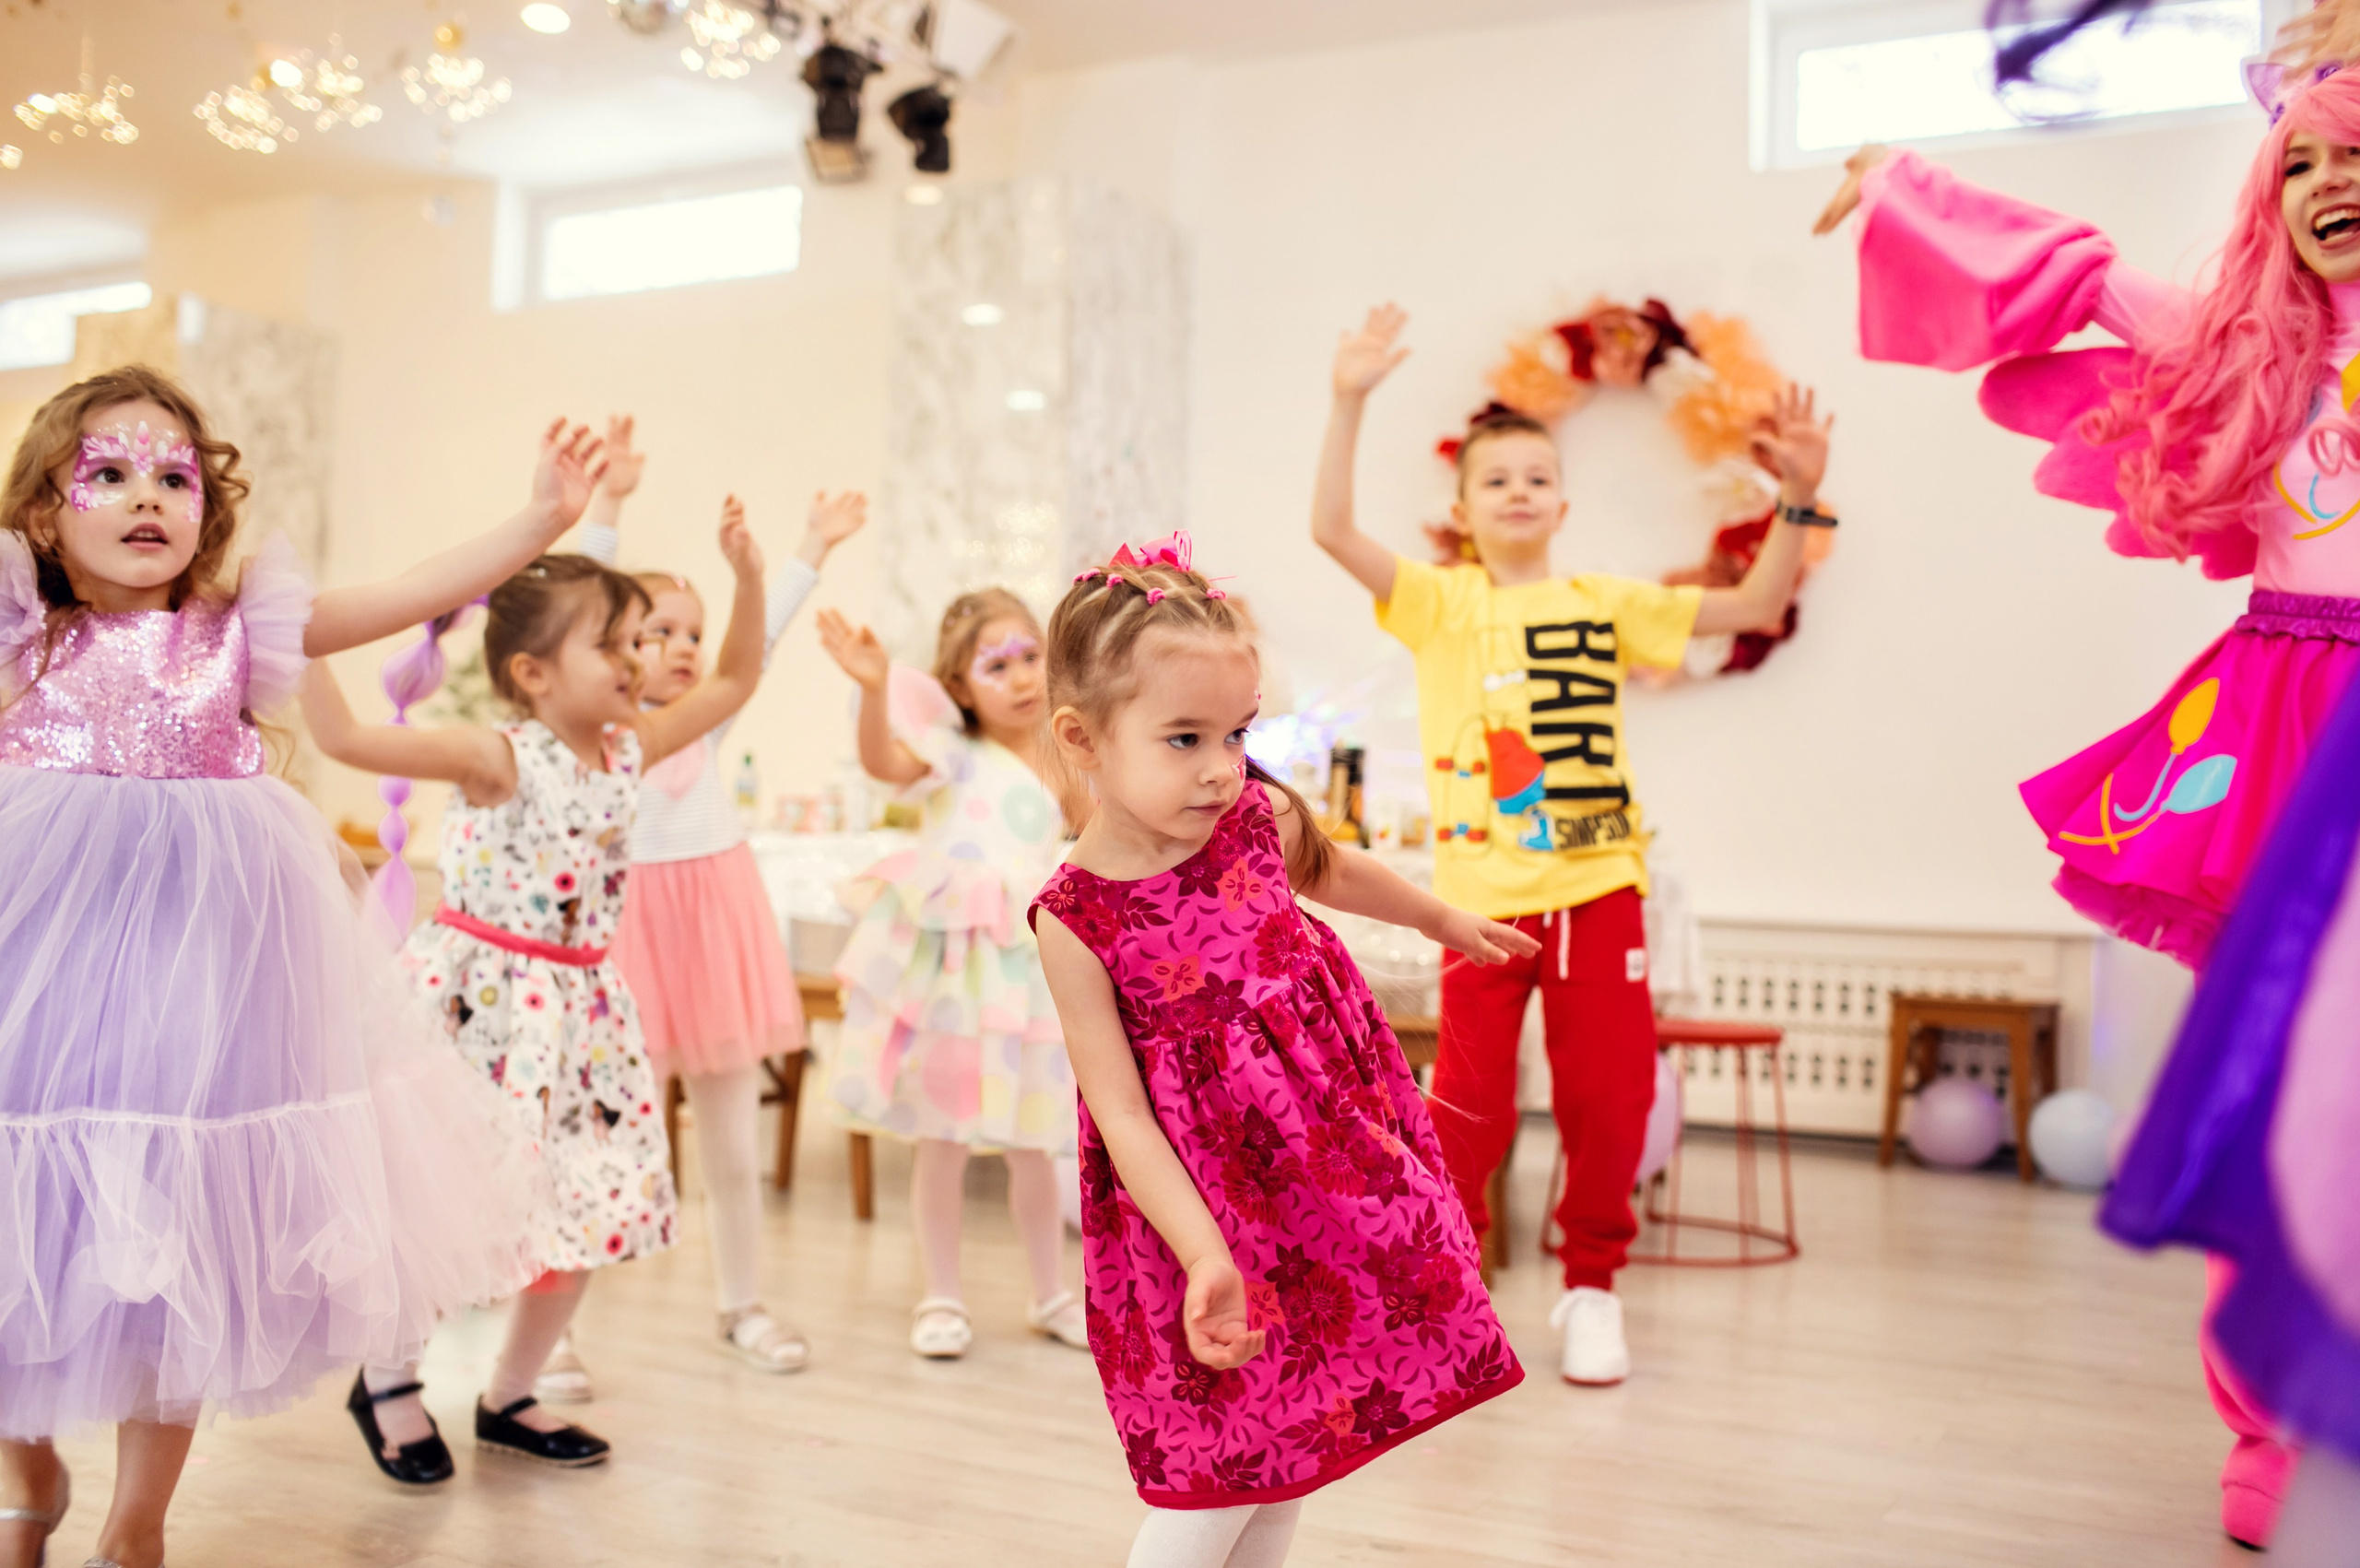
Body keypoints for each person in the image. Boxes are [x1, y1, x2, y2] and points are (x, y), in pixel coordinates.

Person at [1811, 44, 2360, 1547]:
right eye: (2298, 164)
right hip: (2291, 730)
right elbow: (2084, 274)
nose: (2328, 187)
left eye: (2354, 150)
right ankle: (2269, 1427)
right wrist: (1899, 186)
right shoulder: (2254, 346)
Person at [0, 368, 582, 1568]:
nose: (147, 496)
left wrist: (539, 522)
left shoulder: (234, 631)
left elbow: (402, 593)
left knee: (182, 1248)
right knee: (28, 1222)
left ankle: (138, 1522)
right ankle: (30, 1471)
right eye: (107, 474)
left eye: (176, 477)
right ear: (47, 513)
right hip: (42, 977)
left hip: (202, 987)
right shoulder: (22, 628)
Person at [1309, 303, 1834, 1386]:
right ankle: (1437, 1294)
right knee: (1466, 1109)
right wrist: (1348, 397)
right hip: (1478, 904)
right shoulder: (1439, 604)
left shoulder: (1605, 602)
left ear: (1561, 502)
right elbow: (1330, 530)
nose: (1516, 492)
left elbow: (1754, 603)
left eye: (1535, 478)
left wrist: (1795, 497)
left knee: (1610, 1099)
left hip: (1598, 884)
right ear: (1460, 508)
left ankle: (1590, 1289)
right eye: (1495, 479)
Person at [1029, 534, 1536, 1568]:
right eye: (1184, 739)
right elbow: (1120, 1115)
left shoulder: (1248, 817)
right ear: (1083, 737)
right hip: (1206, 1208)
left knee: (1294, 1439)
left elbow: (1334, 870)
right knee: (1217, 1469)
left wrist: (1439, 919)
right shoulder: (1074, 917)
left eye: (1236, 733)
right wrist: (1202, 1249)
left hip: (1323, 1177)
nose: (1223, 768)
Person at [302, 495, 772, 1478]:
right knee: (448, 1208)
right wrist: (287, 637)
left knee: (585, 1211)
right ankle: (388, 1380)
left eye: (635, 643)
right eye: (614, 645)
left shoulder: (634, 745)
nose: (639, 664)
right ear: (532, 672)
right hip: (481, 1015)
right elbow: (344, 738)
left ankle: (510, 1392)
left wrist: (747, 574)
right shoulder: (495, 754)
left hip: (584, 1015)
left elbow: (733, 674)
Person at [561, 415, 867, 1391]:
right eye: (657, 633)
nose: (683, 649)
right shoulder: (595, 730)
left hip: (717, 926)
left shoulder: (712, 715)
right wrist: (607, 503)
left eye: (693, 635)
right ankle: (553, 1329)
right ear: (613, 647)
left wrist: (804, 547)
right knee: (605, 1140)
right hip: (624, 938)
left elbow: (761, 632)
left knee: (732, 1145)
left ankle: (743, 1303)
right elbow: (575, 604)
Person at [815, 590, 1089, 1360]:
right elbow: (881, 763)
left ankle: (1051, 1291)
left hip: (1027, 972)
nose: (1019, 676)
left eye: (1029, 655)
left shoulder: (1064, 756)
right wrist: (874, 688)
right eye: (994, 665)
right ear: (961, 686)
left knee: (1036, 1139)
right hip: (953, 969)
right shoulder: (953, 751)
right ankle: (940, 1293)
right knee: (944, 1138)